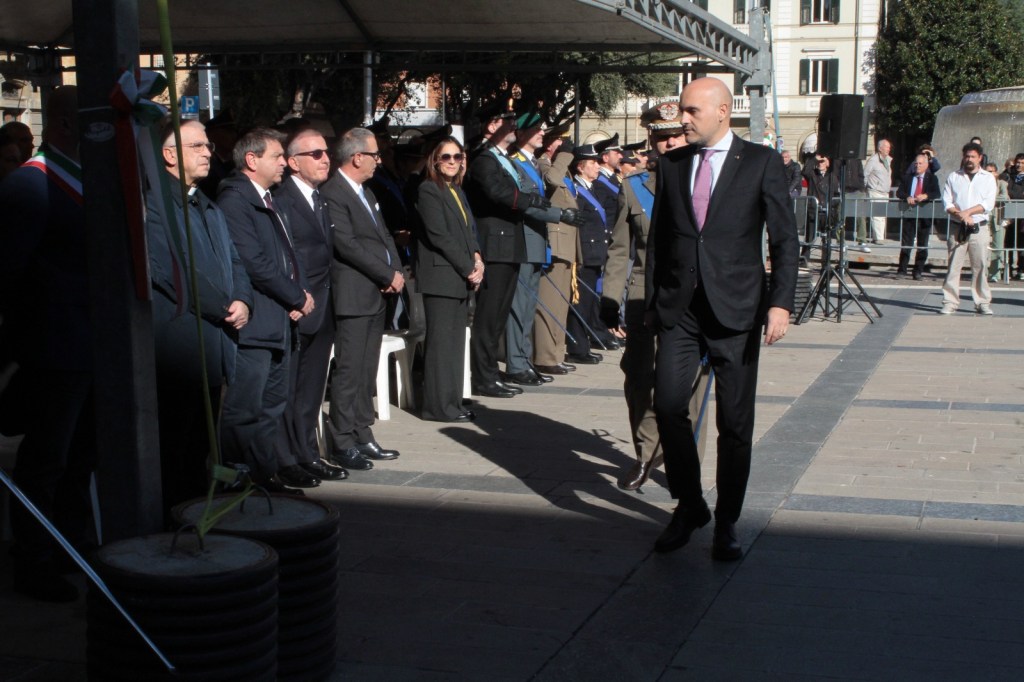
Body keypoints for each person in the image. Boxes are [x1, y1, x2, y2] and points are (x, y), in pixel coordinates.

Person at [647, 78, 799, 560]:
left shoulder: (760, 162)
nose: (682, 119)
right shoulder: (671, 164)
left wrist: (781, 303)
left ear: (722, 111)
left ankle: (727, 521)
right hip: (681, 310)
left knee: (734, 424)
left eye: (691, 110)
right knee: (668, 405)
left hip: (736, 309)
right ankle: (690, 504)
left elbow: (784, 239)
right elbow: (660, 241)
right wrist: (655, 303)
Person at [0, 87, 94, 602]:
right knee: (46, 461)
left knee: (81, 456)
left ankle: (69, 543)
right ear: (63, 123)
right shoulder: (30, 185)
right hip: (55, 348)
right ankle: (33, 560)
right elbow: (10, 273)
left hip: (88, 345)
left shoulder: (80, 178)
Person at [146, 118, 253, 509]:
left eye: (208, 145)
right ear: (169, 155)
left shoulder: (206, 202)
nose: (209, 151)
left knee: (199, 450)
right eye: (197, 146)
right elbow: (173, 271)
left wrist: (244, 300)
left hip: (214, 345)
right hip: (182, 348)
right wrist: (225, 307)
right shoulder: (156, 204)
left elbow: (236, 262)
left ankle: (196, 515)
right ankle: (176, 520)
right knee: (177, 447)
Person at [601, 101, 705, 492]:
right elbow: (619, 250)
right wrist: (609, 300)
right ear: (652, 140)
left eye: (676, 135)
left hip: (692, 297)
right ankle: (647, 455)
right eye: (661, 137)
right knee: (640, 377)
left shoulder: (705, 182)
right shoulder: (633, 187)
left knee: (686, 385)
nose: (669, 143)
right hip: (644, 295)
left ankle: (684, 460)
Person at [218, 128, 316, 492]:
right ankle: (238, 479)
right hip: (257, 323)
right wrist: (294, 295)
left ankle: (263, 475)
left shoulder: (271, 198)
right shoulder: (235, 200)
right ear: (251, 160)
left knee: (272, 404)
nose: (283, 164)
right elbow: (254, 262)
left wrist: (299, 294)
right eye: (277, 157)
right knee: (246, 408)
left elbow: (290, 253)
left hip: (280, 320)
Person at [463, 102, 568, 398]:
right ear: (491, 126)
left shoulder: (500, 157)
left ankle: (490, 372)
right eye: (506, 121)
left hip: (509, 244)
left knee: (497, 316)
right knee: (489, 315)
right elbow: (498, 192)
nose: (513, 126)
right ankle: (483, 377)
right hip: (495, 244)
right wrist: (533, 203)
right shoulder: (483, 158)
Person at [320, 127, 404, 468]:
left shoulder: (365, 192)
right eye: (374, 155)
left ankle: (362, 432)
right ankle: (341, 439)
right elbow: (347, 245)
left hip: (377, 293)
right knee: (351, 369)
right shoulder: (334, 192)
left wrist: (395, 271)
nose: (378, 161)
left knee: (367, 368)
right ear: (357, 157)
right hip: (354, 293)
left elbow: (383, 235)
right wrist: (385, 274)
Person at [271, 129, 350, 484]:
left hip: (324, 306)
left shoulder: (320, 198)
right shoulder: (282, 198)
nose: (325, 159)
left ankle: (308, 453)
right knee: (290, 390)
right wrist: (294, 296)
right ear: (292, 162)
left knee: (312, 390)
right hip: (298, 306)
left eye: (326, 152)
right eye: (315, 153)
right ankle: (288, 458)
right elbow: (284, 255)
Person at [415, 138, 483, 422]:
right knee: (441, 345)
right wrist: (469, 267)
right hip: (441, 276)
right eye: (446, 157)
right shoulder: (428, 190)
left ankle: (453, 402)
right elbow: (439, 235)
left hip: (460, 275)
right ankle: (438, 406)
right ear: (435, 160)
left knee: (456, 344)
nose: (452, 162)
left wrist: (478, 258)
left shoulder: (456, 189)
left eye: (457, 156)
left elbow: (469, 230)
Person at [505, 112, 557, 387]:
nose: (542, 133)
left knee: (527, 307)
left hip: (535, 241)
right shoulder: (515, 164)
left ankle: (524, 361)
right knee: (519, 306)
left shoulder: (532, 164)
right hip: (523, 242)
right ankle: (516, 363)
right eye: (537, 129)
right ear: (522, 134)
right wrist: (560, 215)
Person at [533, 136, 583, 376]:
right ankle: (544, 356)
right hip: (555, 242)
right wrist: (565, 154)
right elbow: (551, 180)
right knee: (549, 303)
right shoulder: (542, 164)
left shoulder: (562, 169)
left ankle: (556, 353)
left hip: (567, 244)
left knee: (561, 304)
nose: (565, 147)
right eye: (559, 142)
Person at [939, 142, 995, 315]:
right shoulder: (954, 176)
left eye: (972, 157)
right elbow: (947, 201)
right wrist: (960, 215)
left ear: (980, 158)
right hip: (958, 227)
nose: (969, 160)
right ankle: (950, 301)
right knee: (954, 265)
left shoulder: (988, 178)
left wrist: (968, 213)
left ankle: (982, 302)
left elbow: (988, 204)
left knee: (980, 266)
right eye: (966, 156)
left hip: (979, 227)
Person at [565, 144, 609, 365]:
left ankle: (585, 342)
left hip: (595, 253)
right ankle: (578, 348)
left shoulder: (590, 189)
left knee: (590, 302)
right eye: (592, 163)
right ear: (580, 167)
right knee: (580, 302)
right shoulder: (576, 191)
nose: (597, 166)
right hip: (585, 253)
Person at [895, 153, 941, 280]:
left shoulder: (932, 178)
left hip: (924, 215)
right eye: (916, 163)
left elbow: (936, 193)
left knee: (922, 244)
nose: (917, 166)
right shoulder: (908, 178)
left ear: (926, 165)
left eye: (920, 163)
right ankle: (902, 270)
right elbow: (899, 192)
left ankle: (918, 271)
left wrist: (926, 196)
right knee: (906, 243)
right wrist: (907, 197)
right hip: (909, 214)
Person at [863, 139, 892, 246]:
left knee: (882, 215)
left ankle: (880, 236)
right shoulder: (873, 160)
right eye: (886, 147)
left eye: (889, 147)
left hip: (885, 191)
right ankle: (878, 238)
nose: (889, 149)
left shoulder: (888, 160)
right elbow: (865, 175)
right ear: (880, 148)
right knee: (876, 215)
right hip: (875, 190)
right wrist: (867, 187)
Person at [987, 162, 1009, 282]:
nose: (988, 174)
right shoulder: (981, 184)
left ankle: (995, 273)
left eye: (991, 171)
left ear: (996, 173)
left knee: (998, 246)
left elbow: (1005, 197)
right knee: (983, 246)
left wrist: (989, 199)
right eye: (987, 171)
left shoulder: (1002, 183)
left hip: (998, 218)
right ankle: (983, 272)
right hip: (985, 217)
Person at [1005, 153, 1024, 279]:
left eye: (1022, 163)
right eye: (1018, 162)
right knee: (1009, 242)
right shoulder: (1009, 176)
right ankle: (1009, 268)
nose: (1019, 165)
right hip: (1011, 213)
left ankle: (1021, 269)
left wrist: (1012, 194)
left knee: (1022, 242)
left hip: (1022, 215)